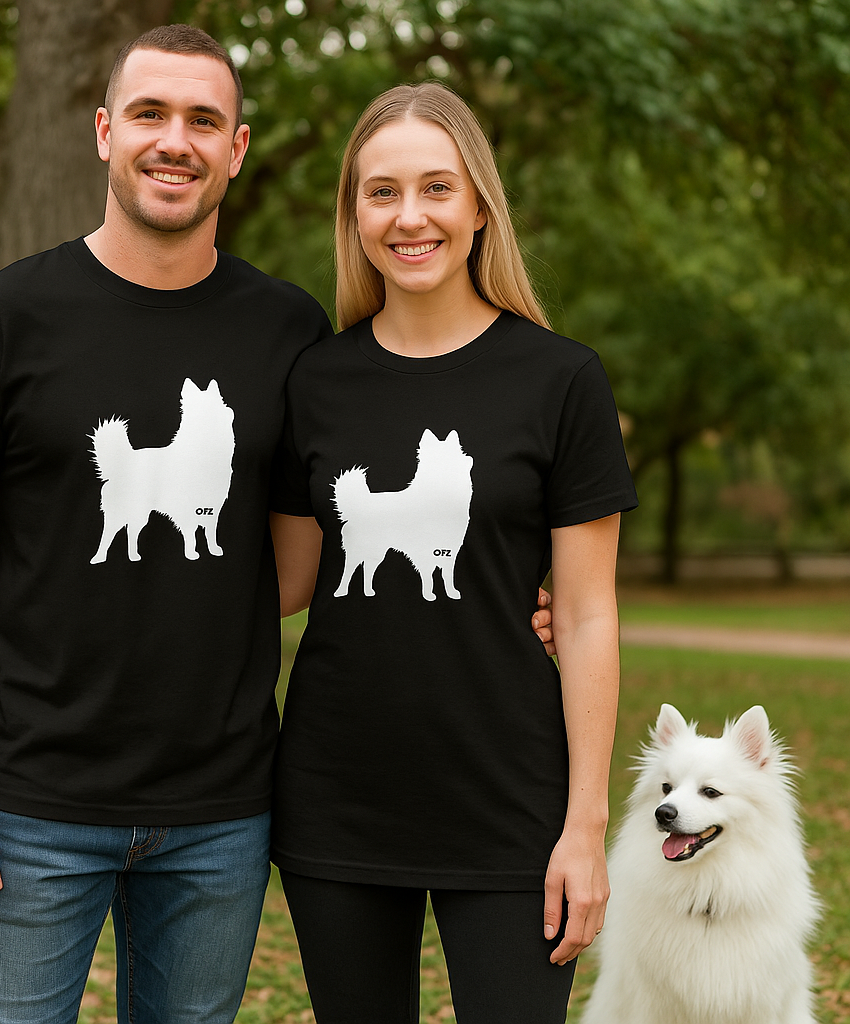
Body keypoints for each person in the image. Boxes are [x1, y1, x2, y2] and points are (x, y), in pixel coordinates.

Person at [0, 26, 557, 1024]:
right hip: (28, 804)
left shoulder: (286, 331)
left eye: (204, 120)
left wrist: (515, 590)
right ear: (105, 131)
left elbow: (303, 556)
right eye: (150, 114)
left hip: (223, 809)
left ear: (235, 149)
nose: (176, 140)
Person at [269, 82, 638, 1024]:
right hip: (338, 793)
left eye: (437, 187)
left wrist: (585, 828)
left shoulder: (562, 380)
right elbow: (286, 583)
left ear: (479, 206)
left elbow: (590, 613)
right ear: (354, 216)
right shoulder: (315, 379)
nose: (410, 216)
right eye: (381, 192)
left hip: (514, 800)